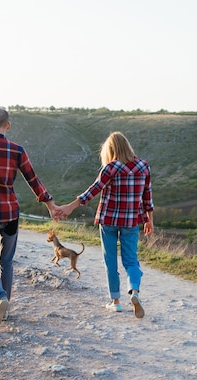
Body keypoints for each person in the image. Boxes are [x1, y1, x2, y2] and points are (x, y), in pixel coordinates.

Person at [0, 108, 60, 328]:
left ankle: (0, 298)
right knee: (6, 261)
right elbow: (33, 180)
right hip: (11, 214)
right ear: (8, 125)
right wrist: (50, 204)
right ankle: (5, 311)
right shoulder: (17, 150)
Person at [59, 132, 154, 318]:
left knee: (110, 261)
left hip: (108, 221)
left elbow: (92, 190)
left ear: (110, 149)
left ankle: (116, 302)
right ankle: (134, 292)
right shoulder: (144, 167)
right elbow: (147, 196)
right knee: (131, 261)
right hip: (130, 221)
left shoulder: (110, 168)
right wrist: (150, 220)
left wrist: (70, 207)